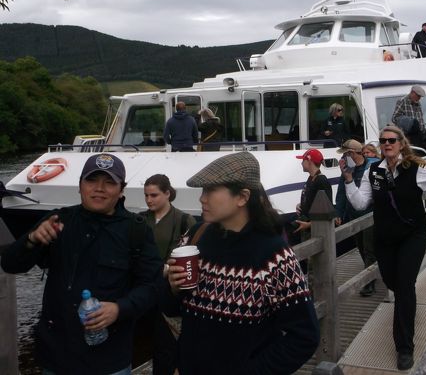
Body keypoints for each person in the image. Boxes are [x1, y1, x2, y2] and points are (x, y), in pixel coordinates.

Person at [1, 153, 162, 375]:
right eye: (92, 180)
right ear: (80, 186)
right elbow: (10, 264)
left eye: (109, 182)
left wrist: (119, 309)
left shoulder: (137, 231)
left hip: (109, 361)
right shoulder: (57, 221)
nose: (99, 188)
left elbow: (152, 287)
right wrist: (31, 240)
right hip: (56, 358)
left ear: (121, 189)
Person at [162, 152, 319, 374]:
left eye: (210, 190)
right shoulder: (195, 236)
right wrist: (172, 288)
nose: (202, 198)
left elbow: (304, 337)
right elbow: (170, 308)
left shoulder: (273, 255)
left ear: (242, 197)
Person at [343, 126, 426, 370]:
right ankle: (406, 305)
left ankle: (404, 347)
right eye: (383, 141)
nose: (387, 144)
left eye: (391, 140)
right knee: (393, 282)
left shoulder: (418, 168)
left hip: (411, 235)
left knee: (404, 287)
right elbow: (361, 202)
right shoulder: (374, 171)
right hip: (385, 239)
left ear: (401, 143)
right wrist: (349, 180)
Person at [138, 174, 196, 375]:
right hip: (144, 287)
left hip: (169, 289)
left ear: (168, 194)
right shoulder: (140, 219)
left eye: (154, 195)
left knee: (167, 345)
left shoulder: (184, 220)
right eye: (146, 195)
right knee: (142, 339)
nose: (149, 200)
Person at [335, 139, 380, 296]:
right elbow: (341, 192)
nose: (343, 158)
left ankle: (369, 282)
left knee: (369, 249)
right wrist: (338, 212)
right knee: (361, 247)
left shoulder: (372, 167)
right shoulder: (347, 170)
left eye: (346, 154)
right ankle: (370, 274)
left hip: (370, 216)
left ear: (352, 153)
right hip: (354, 216)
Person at [294, 148, 333, 234]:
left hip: (315, 231)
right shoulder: (312, 178)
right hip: (308, 226)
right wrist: (302, 204)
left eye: (303, 160)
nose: (301, 163)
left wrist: (308, 225)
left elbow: (327, 212)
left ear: (309, 161)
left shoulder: (321, 181)